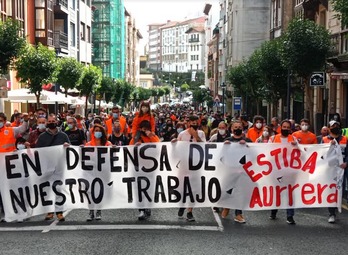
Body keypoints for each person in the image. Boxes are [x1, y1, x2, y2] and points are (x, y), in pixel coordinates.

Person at [36, 114, 70, 221]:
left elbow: (70, 148)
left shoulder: (63, 135)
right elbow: (38, 151)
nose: (51, 122)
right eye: (49, 121)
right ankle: (49, 212)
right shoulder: (42, 137)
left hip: (60, 166)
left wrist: (66, 146)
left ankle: (59, 212)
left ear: (57, 122)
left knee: (59, 189)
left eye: (53, 120)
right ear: (47, 123)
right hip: (47, 166)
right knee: (48, 189)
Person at [172, 115, 206, 222]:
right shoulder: (182, 134)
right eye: (192, 121)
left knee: (194, 188)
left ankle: (190, 211)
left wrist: (196, 136)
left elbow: (205, 147)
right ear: (188, 123)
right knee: (182, 187)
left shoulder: (201, 133)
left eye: (196, 121)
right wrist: (174, 144)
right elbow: (177, 150)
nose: (194, 123)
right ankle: (182, 204)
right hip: (184, 166)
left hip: (196, 166)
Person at [129, 120, 160, 220]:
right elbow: (129, 150)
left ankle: (148, 207)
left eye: (147, 129)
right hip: (137, 168)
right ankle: (141, 209)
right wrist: (135, 147)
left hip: (150, 167)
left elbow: (159, 146)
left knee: (150, 188)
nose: (145, 131)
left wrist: (151, 136)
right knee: (138, 189)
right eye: (143, 129)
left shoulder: (153, 137)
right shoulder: (136, 138)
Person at [222, 120, 252, 223]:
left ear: (242, 128)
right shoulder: (227, 140)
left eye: (239, 127)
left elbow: (254, 154)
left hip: (243, 171)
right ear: (231, 129)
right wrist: (224, 146)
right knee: (228, 190)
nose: (237, 129)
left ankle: (238, 214)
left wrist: (248, 146)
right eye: (235, 127)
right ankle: (227, 206)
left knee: (240, 192)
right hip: (230, 170)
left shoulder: (247, 140)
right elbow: (221, 156)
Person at [268, 119, 297, 225]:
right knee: (276, 191)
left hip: (289, 170)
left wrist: (296, 146)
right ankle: (274, 211)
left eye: (287, 127)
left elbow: (300, 152)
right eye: (284, 127)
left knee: (290, 192)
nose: (285, 129)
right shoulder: (273, 138)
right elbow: (266, 151)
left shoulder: (293, 139)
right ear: (281, 127)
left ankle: (290, 216)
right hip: (276, 169)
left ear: (290, 128)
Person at [321, 120, 348, 223]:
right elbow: (321, 155)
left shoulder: (345, 139)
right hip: (329, 169)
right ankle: (331, 212)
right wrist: (330, 146)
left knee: (340, 189)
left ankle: (337, 206)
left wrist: (346, 163)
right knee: (330, 190)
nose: (335, 127)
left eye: (337, 125)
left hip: (342, 169)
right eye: (333, 126)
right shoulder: (324, 140)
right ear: (329, 128)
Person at [85, 124, 112, 221]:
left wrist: (114, 149)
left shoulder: (107, 144)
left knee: (100, 191)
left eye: (99, 130)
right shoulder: (88, 144)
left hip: (103, 171)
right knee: (90, 192)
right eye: (95, 130)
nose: (97, 132)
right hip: (91, 171)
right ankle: (91, 212)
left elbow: (113, 153)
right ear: (93, 133)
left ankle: (99, 211)